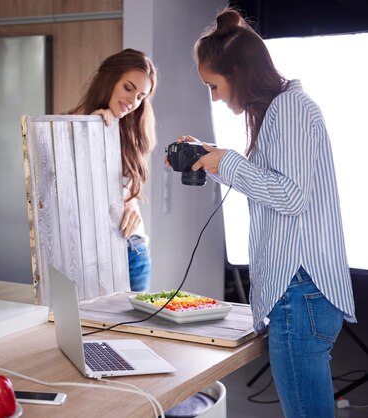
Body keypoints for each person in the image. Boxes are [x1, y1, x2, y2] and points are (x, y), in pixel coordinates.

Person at [173, 7, 356, 417]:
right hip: (302, 293)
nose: (215, 96)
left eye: (213, 85)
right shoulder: (281, 109)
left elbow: (290, 197)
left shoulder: (288, 109)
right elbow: (272, 188)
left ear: (237, 71)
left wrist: (230, 160)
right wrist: (210, 159)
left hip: (300, 291)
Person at [69, 48, 158, 291]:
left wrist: (131, 206)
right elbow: (70, 190)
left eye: (141, 96)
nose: (132, 101)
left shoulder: (132, 132)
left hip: (133, 250)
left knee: (134, 329)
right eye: (128, 88)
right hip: (89, 255)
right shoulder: (70, 127)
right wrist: (94, 131)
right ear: (109, 80)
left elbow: (123, 192)